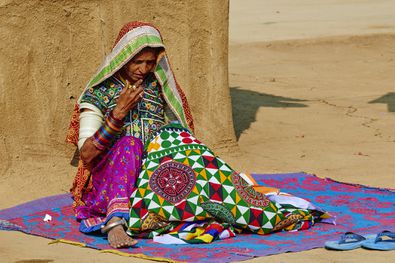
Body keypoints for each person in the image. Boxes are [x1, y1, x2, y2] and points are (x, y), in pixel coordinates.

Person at [66, 21, 194, 248]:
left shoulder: (158, 87)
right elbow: (86, 154)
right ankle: (115, 221)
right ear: (124, 58)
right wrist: (118, 114)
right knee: (130, 144)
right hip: (108, 179)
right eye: (137, 62)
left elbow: (178, 133)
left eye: (150, 63)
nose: (143, 69)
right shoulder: (100, 91)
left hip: (151, 175)